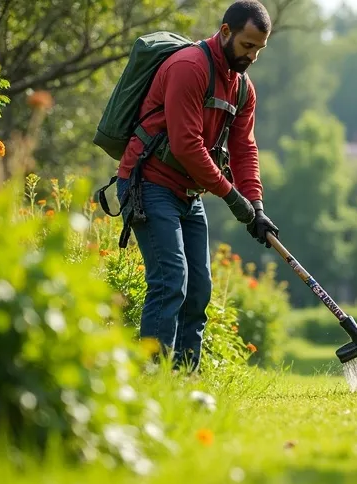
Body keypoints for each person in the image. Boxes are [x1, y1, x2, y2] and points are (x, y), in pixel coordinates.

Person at [114, 0, 279, 372]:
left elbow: (244, 148)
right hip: (149, 184)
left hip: (189, 194)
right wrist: (232, 197)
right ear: (225, 32)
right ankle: (154, 378)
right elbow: (188, 146)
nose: (252, 56)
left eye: (259, 49)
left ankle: (187, 377)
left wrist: (256, 204)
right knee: (172, 280)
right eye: (247, 45)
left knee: (199, 287)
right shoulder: (189, 67)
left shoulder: (242, 89)